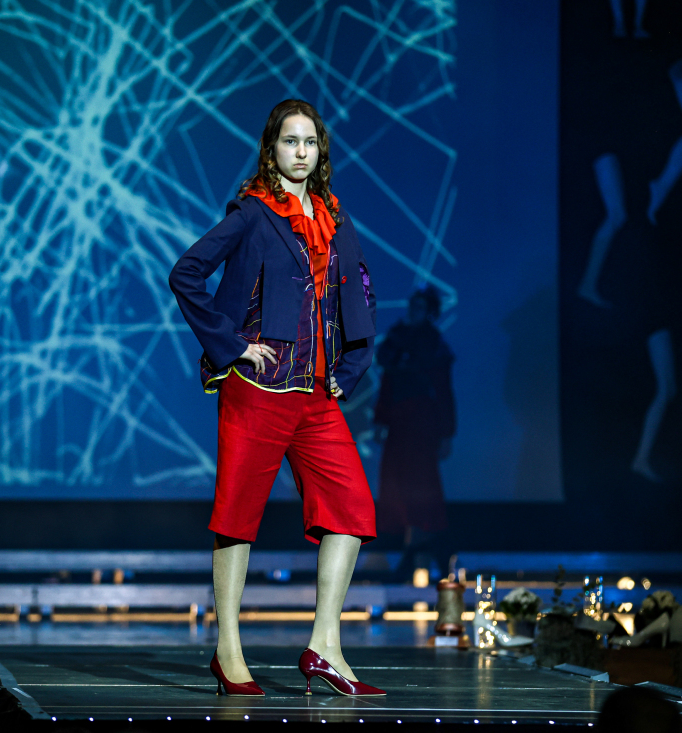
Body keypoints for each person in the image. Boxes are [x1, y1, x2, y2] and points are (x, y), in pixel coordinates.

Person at [169, 99, 383, 697]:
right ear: (272, 149)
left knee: (351, 509)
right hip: (258, 390)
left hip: (315, 396)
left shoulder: (334, 215)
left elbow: (361, 288)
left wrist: (353, 364)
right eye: (290, 141)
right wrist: (232, 346)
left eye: (310, 142)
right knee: (237, 518)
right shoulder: (254, 212)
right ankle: (228, 650)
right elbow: (187, 273)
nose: (301, 152)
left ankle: (324, 646)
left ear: (321, 151)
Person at [373, 287, 456, 579]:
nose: (413, 311)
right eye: (412, 305)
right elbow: (388, 383)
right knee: (398, 486)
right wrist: (381, 420)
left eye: (420, 307)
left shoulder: (433, 344)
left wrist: (446, 432)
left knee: (420, 486)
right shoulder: (396, 340)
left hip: (422, 424)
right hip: (400, 423)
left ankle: (421, 549)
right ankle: (422, 549)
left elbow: (443, 391)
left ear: (429, 312)